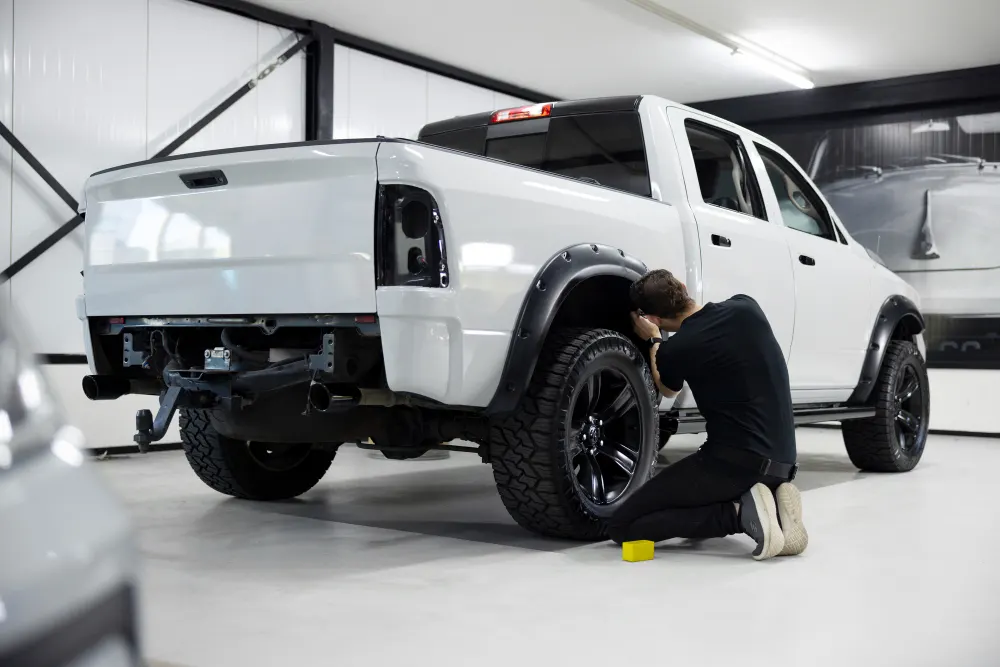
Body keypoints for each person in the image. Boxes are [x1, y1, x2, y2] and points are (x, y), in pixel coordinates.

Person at [608, 269, 808, 560]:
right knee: (685, 495)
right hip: (784, 462)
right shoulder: (747, 307)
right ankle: (772, 504)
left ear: (652, 319)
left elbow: (667, 388)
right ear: (684, 287)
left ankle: (739, 515)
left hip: (735, 465)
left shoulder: (676, 348)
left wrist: (654, 340)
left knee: (622, 526)